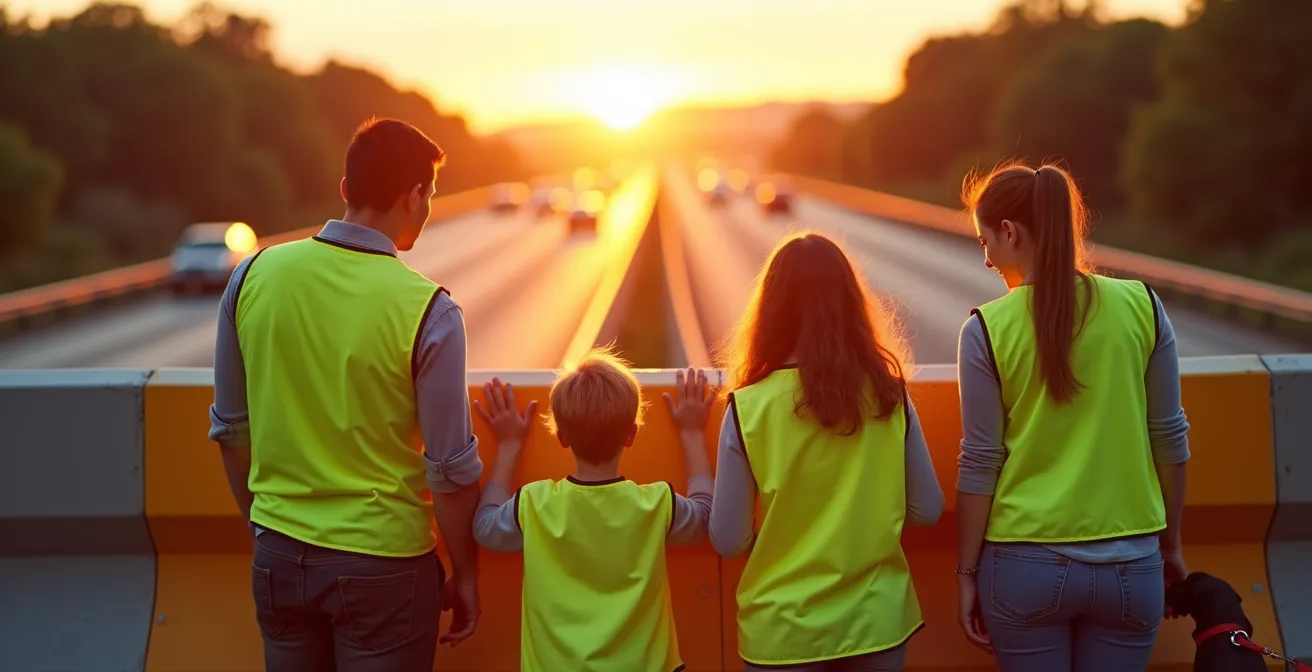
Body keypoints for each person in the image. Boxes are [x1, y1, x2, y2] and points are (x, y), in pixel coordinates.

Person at [208, 117, 483, 671]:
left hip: (278, 554)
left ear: (345, 189)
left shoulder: (252, 274)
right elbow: (449, 470)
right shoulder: (430, 311)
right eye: (429, 196)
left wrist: (266, 527)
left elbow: (231, 430)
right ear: (414, 196)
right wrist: (467, 573)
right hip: (384, 568)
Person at [954, 161, 1191, 671]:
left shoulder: (985, 330)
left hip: (1024, 566)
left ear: (1010, 232)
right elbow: (1169, 440)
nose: (987, 258)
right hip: (1133, 566)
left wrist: (967, 573)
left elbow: (980, 464)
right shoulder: (1143, 307)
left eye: (985, 242)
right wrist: (1169, 544)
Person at [710, 232, 945, 672]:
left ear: (771, 311)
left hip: (782, 631)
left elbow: (728, 538)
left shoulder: (747, 407)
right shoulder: (889, 395)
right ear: (851, 304)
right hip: (875, 621)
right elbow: (928, 508)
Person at [471, 352, 714, 672]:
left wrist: (509, 445)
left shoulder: (533, 504)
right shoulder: (657, 504)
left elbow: (484, 527)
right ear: (631, 435)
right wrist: (692, 433)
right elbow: (707, 517)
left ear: (561, 437)